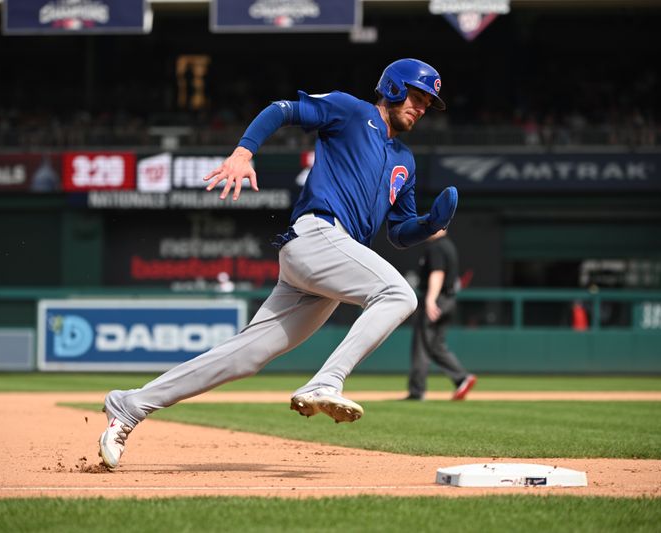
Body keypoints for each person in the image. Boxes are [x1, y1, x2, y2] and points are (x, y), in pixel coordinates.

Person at [98, 59, 459, 468]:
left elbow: (397, 232)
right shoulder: (351, 110)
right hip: (317, 235)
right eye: (417, 96)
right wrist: (243, 152)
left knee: (244, 357)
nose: (423, 106)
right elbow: (282, 109)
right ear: (392, 88)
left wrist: (429, 224)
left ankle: (128, 405)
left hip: (331, 261)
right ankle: (327, 380)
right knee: (398, 294)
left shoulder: (405, 160)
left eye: (429, 102)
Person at [406, 231, 476, 401]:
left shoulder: (436, 247)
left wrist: (431, 299)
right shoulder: (448, 245)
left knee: (422, 344)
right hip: (448, 300)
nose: (428, 228)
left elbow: (438, 273)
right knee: (436, 345)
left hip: (436, 299)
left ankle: (417, 391)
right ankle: (461, 378)